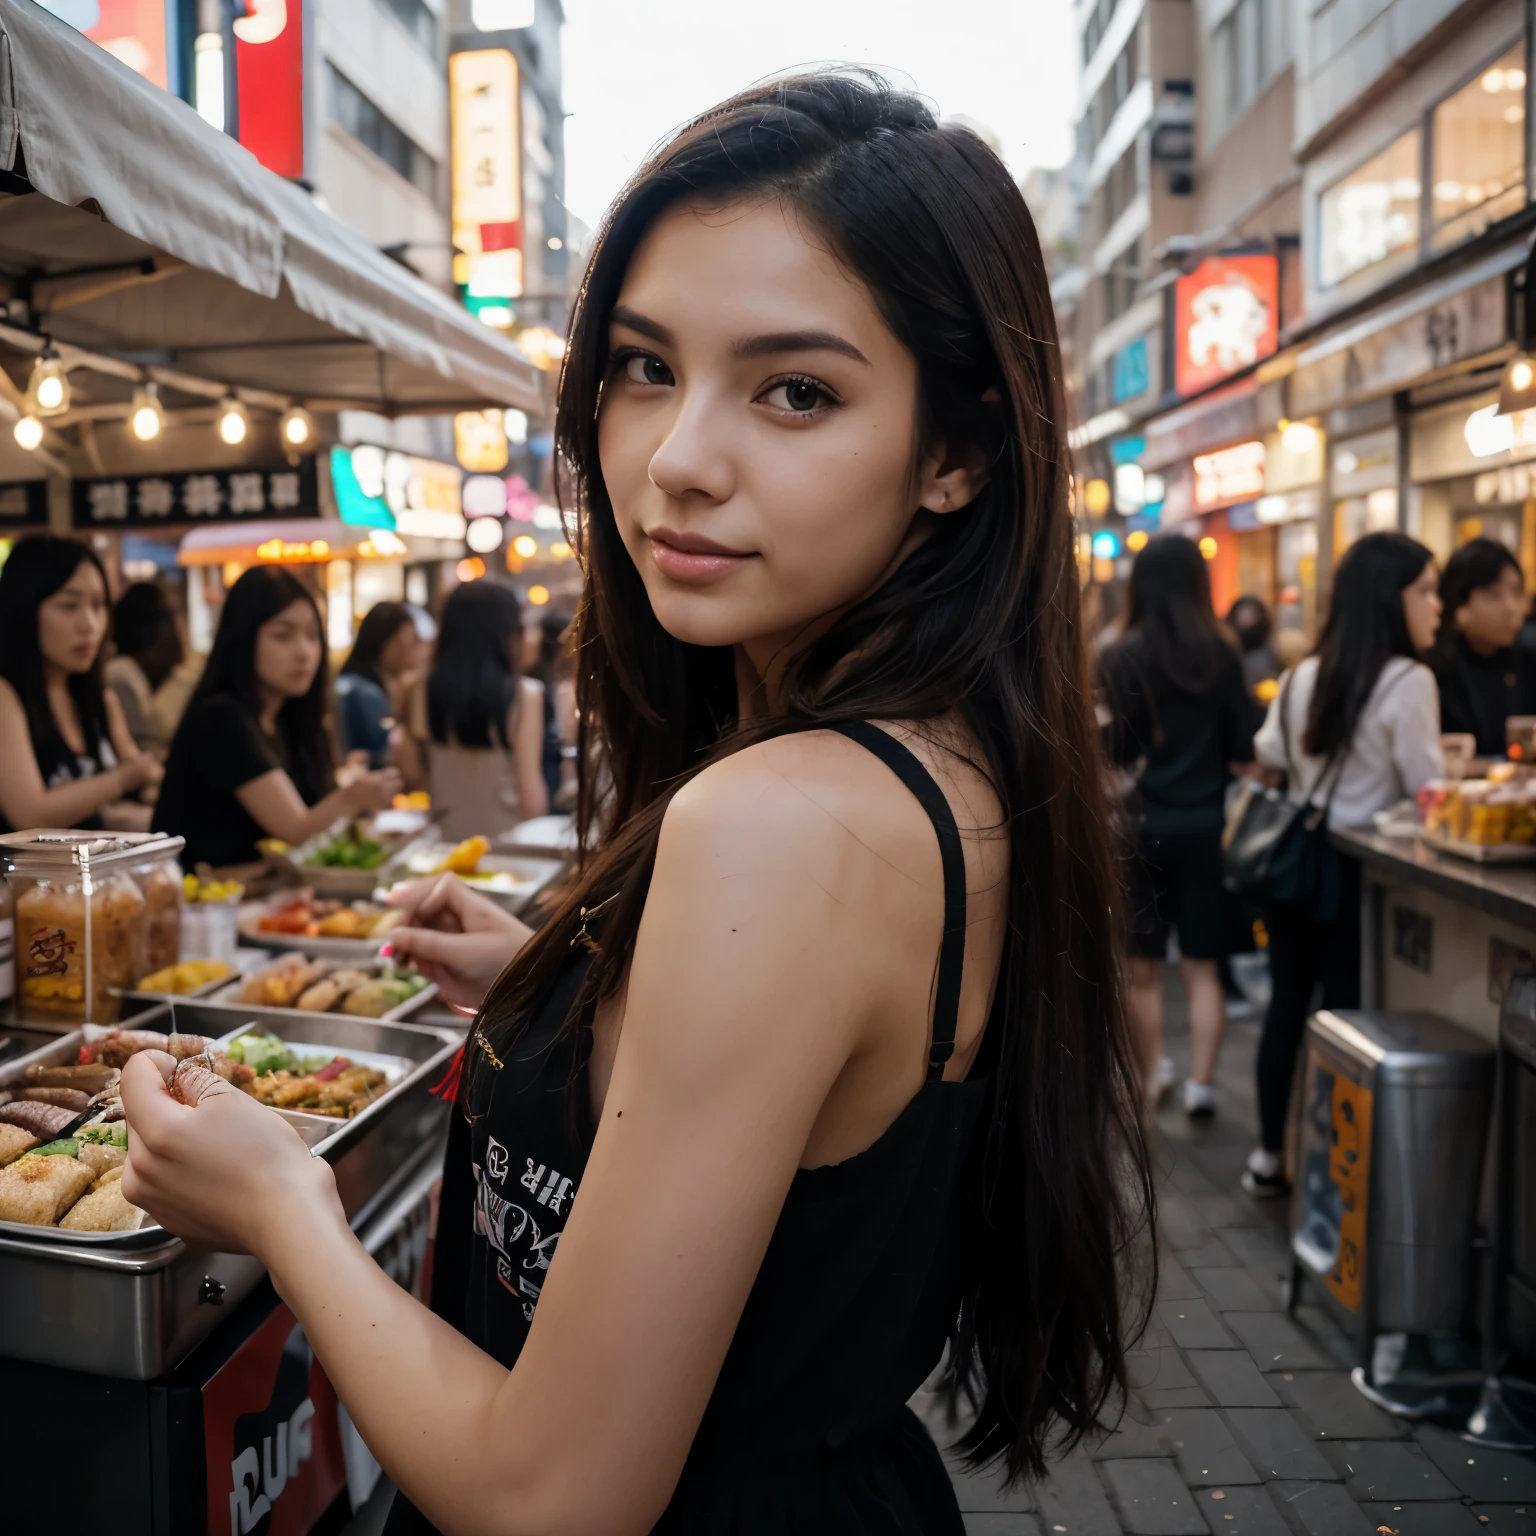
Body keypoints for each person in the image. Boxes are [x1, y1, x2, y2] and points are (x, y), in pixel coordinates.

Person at [118, 73, 1153, 1534]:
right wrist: (576, 985)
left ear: (958, 452)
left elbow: (552, 1498)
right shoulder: (941, 756)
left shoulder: (782, 824)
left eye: (797, 390)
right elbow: (826, 1110)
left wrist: (286, 1203)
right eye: (646, 366)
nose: (675, 460)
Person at [1245, 532, 1443, 1196]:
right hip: (1359, 879)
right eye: (1426, 591)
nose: (1436, 606)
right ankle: (1338, 1171)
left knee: (1287, 1010)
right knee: (1350, 1021)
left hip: (1294, 868)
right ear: (1392, 599)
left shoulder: (1304, 672)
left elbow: (1269, 754)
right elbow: (1429, 794)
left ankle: (1270, 1156)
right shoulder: (1409, 680)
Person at [1100, 537, 1256, 1119]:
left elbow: (1111, 749)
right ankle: (1203, 1087)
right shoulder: (1223, 653)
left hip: (1141, 828)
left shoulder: (1122, 655)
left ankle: (1155, 1071)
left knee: (1141, 969)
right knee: (1202, 966)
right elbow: (1245, 745)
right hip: (1209, 828)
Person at [153, 567, 399, 869]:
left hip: (268, 904)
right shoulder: (221, 718)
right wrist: (353, 797)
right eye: (283, 635)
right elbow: (296, 831)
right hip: (202, 906)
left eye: (313, 636)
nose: (304, 652)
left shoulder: (287, 719)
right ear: (242, 640)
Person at [0, 536, 161, 833]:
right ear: (23, 610)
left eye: (98, 605)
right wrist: (124, 778)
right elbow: (30, 815)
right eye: (69, 605)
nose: (90, 624)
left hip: (90, 874)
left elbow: (138, 775)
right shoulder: (5, 696)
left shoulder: (97, 698)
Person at [408, 581, 548, 842]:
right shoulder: (525, 694)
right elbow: (531, 793)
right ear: (505, 632)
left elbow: (420, 775)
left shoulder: (422, 689)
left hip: (446, 843)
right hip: (509, 844)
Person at [1429, 537, 1536, 758]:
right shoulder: (1438, 668)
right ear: (1459, 605)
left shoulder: (1526, 657)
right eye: (1494, 595)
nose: (1511, 608)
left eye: (1517, 593)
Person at [103, 580, 194, 758]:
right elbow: (148, 748)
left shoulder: (136, 675)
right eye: (171, 620)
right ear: (153, 630)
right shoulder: (122, 677)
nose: (179, 633)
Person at [336, 601, 426, 770]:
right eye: (411, 640)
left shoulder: (356, 685)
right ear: (388, 641)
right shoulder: (364, 694)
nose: (415, 651)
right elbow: (387, 759)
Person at [1227, 594, 1280, 697]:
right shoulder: (1226, 651)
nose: (1246, 618)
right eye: (1243, 613)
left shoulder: (1269, 652)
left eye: (1250, 614)